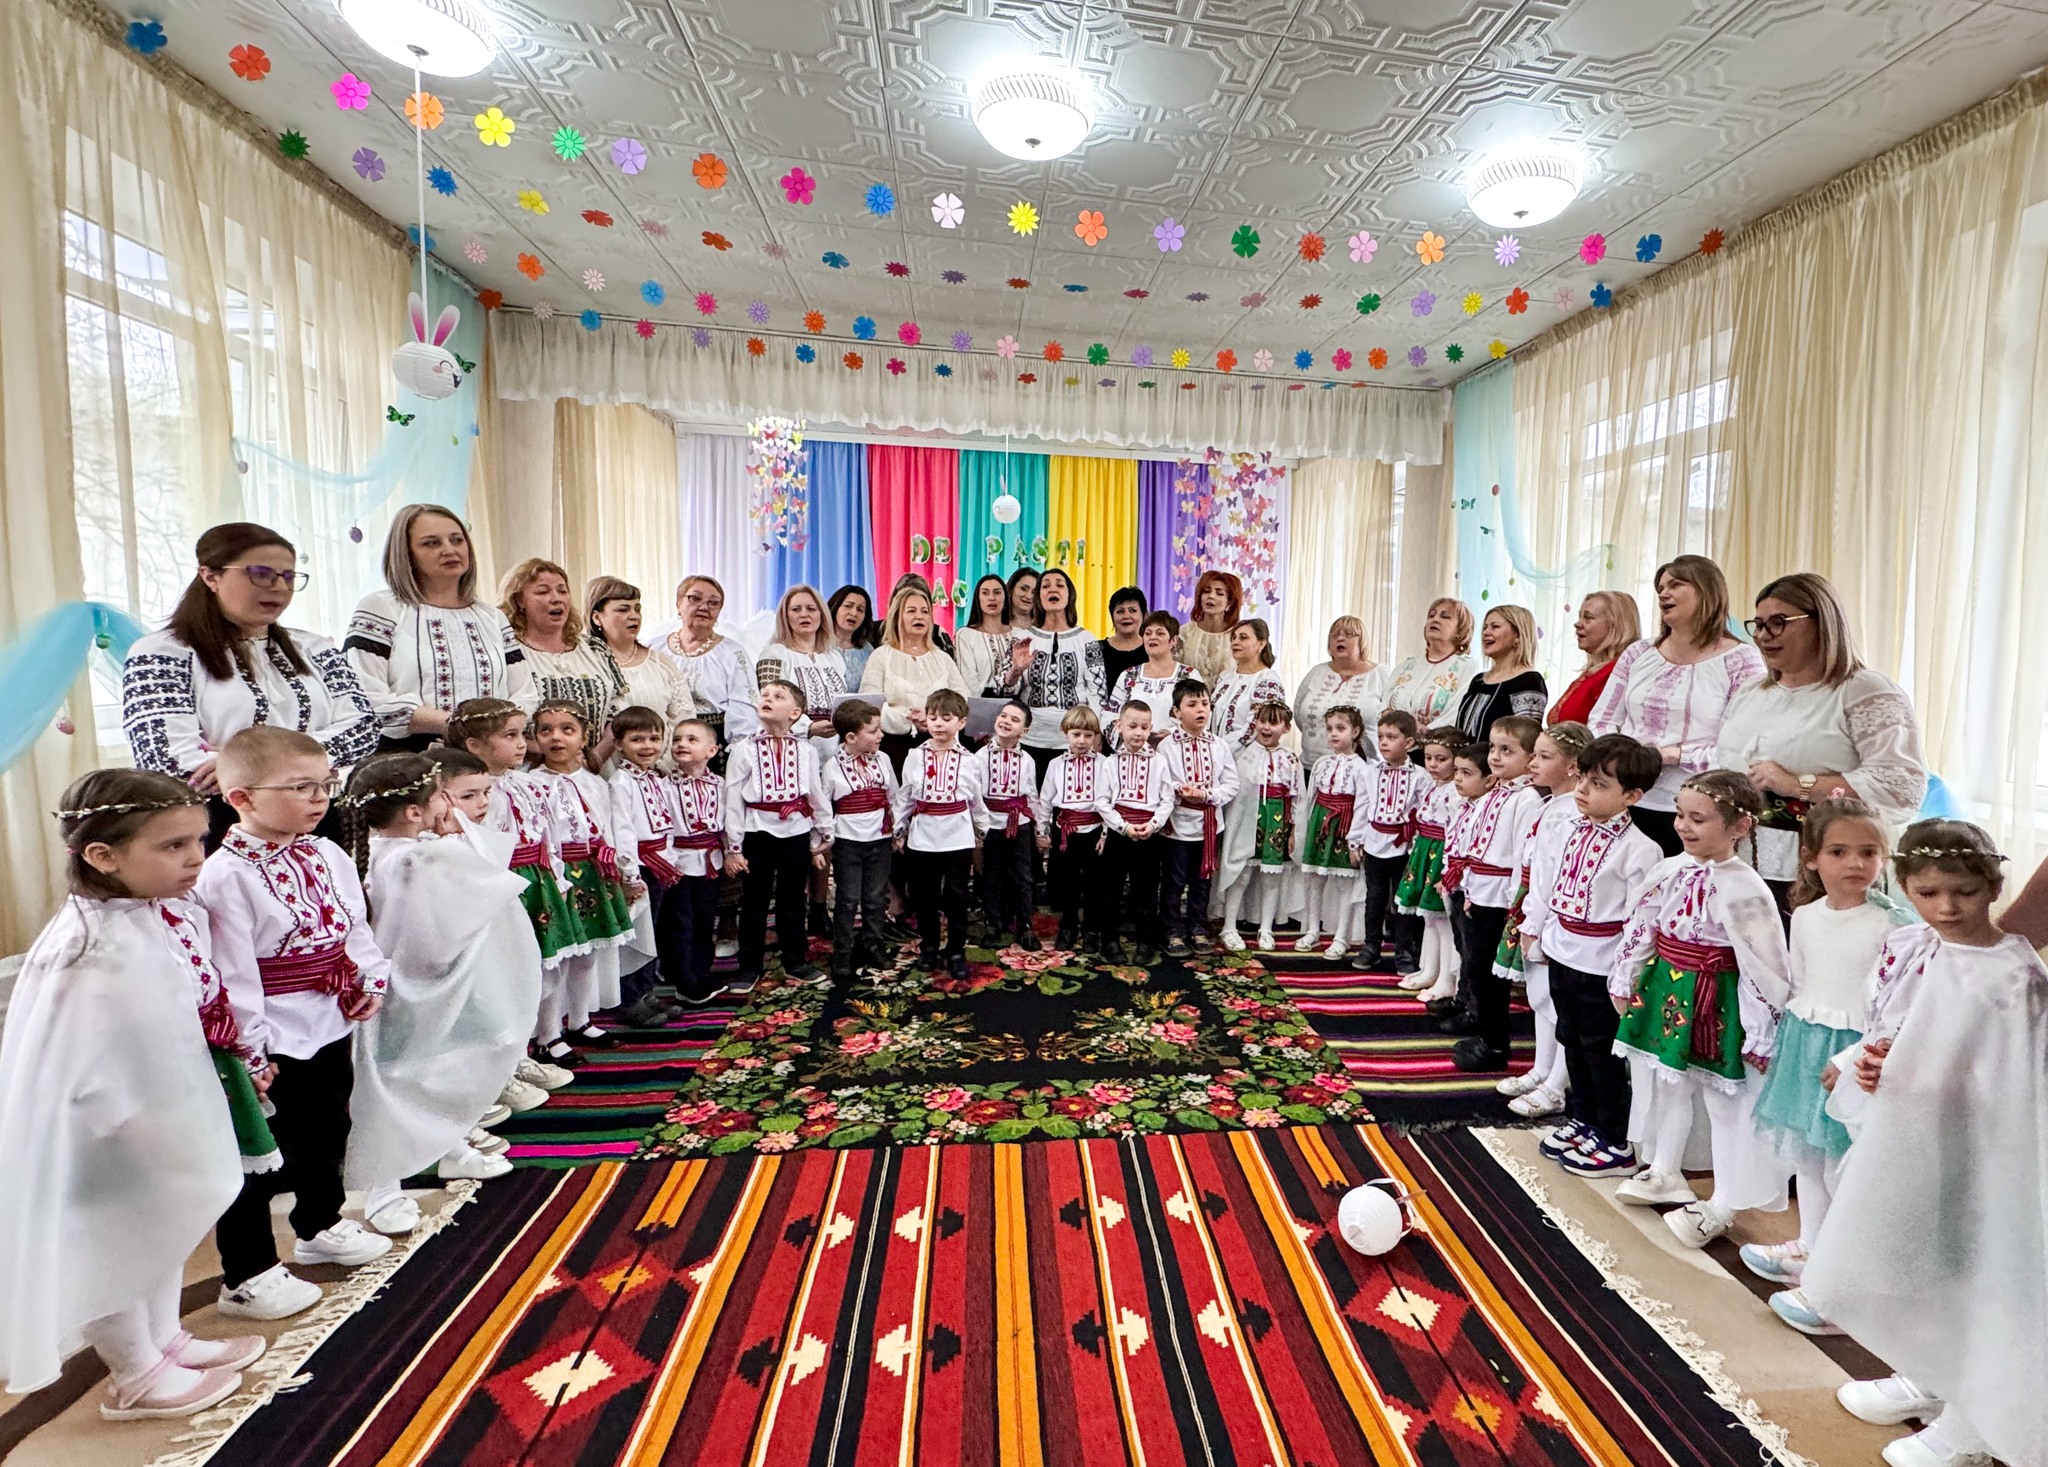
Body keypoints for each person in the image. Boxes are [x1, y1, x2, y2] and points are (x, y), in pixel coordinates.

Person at [0, 770, 263, 1416]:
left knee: (159, 1228)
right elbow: (87, 1069)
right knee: (113, 1245)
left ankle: (164, 1338)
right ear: (102, 855)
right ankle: (135, 1372)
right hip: (106, 1135)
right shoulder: (89, 950)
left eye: (198, 840)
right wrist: (144, 1132)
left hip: (151, 1112)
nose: (196, 857)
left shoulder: (140, 914)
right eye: (172, 845)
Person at [1803, 822, 2045, 1467]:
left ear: (1993, 886)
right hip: (1924, 1137)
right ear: (1905, 887)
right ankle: (1933, 1374)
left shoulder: (2011, 975)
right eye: (1928, 893)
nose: (1947, 908)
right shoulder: (1924, 948)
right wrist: (1870, 1062)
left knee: (1977, 1271)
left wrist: (1910, 1074)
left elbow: (2011, 1076)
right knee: (1926, 1260)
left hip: (1982, 1150)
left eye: (1964, 892)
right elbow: (1902, 1028)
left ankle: (1973, 1426)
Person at [196, 727, 396, 1320]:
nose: (319, 798)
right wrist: (251, 1051)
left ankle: (320, 1223)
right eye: (301, 787)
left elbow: (353, 925)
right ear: (242, 798)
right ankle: (247, 1271)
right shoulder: (224, 876)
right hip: (273, 1032)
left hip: (329, 1018)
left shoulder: (327, 853)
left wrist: (368, 978)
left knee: (327, 1126)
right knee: (263, 1152)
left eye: (325, 785)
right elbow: (234, 973)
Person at [338, 755, 529, 1238]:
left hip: (425, 982)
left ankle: (449, 1146)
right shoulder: (417, 858)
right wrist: (454, 840)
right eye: (442, 796)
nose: (451, 804)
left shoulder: (409, 851)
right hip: (403, 987)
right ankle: (383, 1186)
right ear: (414, 812)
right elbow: (491, 884)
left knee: (438, 1065)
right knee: (393, 1081)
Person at [1740, 800, 1909, 1334]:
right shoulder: (1808, 917)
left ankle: (1840, 1273)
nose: (1855, 863)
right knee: (1808, 1156)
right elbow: (1802, 981)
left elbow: (1893, 1001)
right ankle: (1810, 1246)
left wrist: (1858, 1055)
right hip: (1805, 1043)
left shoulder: (1892, 924)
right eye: (1839, 852)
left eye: (1868, 852)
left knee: (1843, 1163)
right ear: (1811, 858)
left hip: (1854, 1052)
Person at [1608, 771, 1791, 1249]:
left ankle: (1724, 1203)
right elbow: (1643, 925)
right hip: (1669, 988)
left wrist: (1760, 1031)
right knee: (1669, 1084)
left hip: (1716, 1000)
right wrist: (1626, 975)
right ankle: (1665, 1170)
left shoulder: (1746, 889)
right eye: (1679, 815)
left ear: (1739, 827)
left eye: (1698, 819)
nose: (1683, 826)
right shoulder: (1671, 870)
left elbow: (1764, 966)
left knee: (1723, 1104)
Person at [124, 522, 379, 845]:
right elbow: (165, 757)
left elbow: (363, 727)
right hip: (219, 820)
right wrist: (299, 769)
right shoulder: (162, 652)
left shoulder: (314, 648)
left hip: (315, 815)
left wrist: (252, 766)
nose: (278, 587)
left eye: (288, 577)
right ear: (210, 576)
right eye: (261, 574)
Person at [1714, 573, 1927, 908]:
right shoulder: (1751, 691)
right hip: (1743, 864)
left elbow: (1901, 785)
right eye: (1759, 624)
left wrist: (1796, 784)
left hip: (1824, 872)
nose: (1764, 635)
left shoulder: (1864, 691)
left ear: (1822, 623)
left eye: (1779, 623)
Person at [1523, 734, 1663, 1175]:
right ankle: (1582, 1118)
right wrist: (1535, 928)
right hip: (1563, 951)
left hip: (1602, 963)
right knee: (1570, 1038)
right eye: (1582, 778)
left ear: (1631, 796)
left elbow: (1641, 920)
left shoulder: (1642, 849)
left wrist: (1624, 975)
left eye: (1599, 784)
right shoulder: (1567, 828)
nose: (1583, 790)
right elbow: (1547, 881)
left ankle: (1615, 1137)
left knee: (1601, 1051)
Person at [1589, 557, 1765, 857]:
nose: (1663, 594)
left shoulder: (1741, 660)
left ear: (1707, 592)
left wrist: (1675, 755)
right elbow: (1601, 719)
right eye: (1660, 588)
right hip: (1623, 800)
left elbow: (1742, 747)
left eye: (1676, 584)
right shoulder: (1638, 652)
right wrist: (1621, 757)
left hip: (1696, 814)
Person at [347, 504, 535, 753]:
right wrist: (457, 726)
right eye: (431, 543)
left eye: (457, 540)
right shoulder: (381, 608)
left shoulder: (492, 617)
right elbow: (363, 694)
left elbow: (524, 693)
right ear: (406, 554)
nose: (449, 550)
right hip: (408, 758)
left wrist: (494, 731)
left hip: (490, 757)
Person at [1491, 722, 1594, 1114]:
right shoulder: (1550, 804)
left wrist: (1538, 922)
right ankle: (1541, 1068)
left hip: (1550, 915)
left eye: (1544, 756)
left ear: (1573, 766)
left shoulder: (1571, 814)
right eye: (1533, 754)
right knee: (1538, 995)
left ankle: (1557, 1084)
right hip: (1530, 906)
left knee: (1555, 1001)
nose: (1532, 762)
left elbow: (1555, 875)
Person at [529, 701, 638, 1032]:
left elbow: (608, 828)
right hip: (556, 875)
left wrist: (622, 872)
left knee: (587, 954)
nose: (556, 738)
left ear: (584, 737)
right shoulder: (532, 784)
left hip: (593, 873)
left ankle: (580, 1020)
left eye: (567, 730)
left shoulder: (595, 782)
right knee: (557, 957)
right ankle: (549, 1031)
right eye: (545, 730)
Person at [1443, 718, 1544, 1071]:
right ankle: (1485, 1032)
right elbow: (1476, 846)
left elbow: (1520, 856)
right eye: (1494, 748)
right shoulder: (1495, 794)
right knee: (1476, 966)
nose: (1496, 757)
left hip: (1501, 900)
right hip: (1481, 893)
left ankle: (1496, 1045)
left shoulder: (1526, 799)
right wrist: (1470, 888)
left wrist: (1514, 906)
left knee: (1490, 973)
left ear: (1530, 757)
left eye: (1507, 750)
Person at [724, 681, 828, 984]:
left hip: (796, 830)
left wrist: (823, 832)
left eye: (778, 696)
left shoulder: (806, 751)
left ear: (795, 713)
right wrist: (734, 845)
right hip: (757, 831)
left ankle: (795, 959)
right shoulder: (743, 749)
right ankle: (749, 964)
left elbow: (815, 793)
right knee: (754, 899)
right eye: (765, 695)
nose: (767, 698)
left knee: (793, 897)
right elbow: (733, 798)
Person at [607, 707, 690, 1026]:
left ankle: (646, 990)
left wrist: (671, 856)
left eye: (654, 739)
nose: (647, 746)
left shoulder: (656, 777)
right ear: (618, 744)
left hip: (660, 862)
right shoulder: (621, 782)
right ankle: (629, 997)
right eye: (637, 739)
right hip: (640, 866)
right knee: (637, 932)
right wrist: (629, 873)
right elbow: (623, 830)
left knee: (654, 930)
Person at [502, 559, 625, 770]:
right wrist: (553, 756)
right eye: (543, 592)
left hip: (595, 771)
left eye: (562, 591)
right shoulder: (507, 652)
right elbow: (499, 722)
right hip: (532, 773)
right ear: (520, 600)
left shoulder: (594, 649)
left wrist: (594, 757)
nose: (556, 599)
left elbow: (618, 712)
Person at [895, 687, 984, 974]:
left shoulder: (970, 760)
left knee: (957, 896)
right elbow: (905, 796)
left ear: (961, 722)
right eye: (933, 718)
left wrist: (982, 830)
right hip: (923, 836)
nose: (939, 724)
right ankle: (929, 946)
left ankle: (956, 950)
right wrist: (899, 828)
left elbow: (975, 799)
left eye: (947, 718)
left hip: (957, 836)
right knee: (924, 896)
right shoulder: (915, 756)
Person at [818, 700, 900, 982]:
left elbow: (894, 796)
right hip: (848, 842)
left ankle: (873, 944)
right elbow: (823, 805)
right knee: (848, 898)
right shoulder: (832, 767)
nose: (880, 735)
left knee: (876, 897)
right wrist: (824, 839)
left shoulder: (883, 760)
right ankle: (842, 951)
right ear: (851, 737)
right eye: (873, 731)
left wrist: (897, 830)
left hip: (879, 839)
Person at [1158, 681, 1238, 957]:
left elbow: (1231, 784)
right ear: (1176, 712)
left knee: (1202, 880)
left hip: (1209, 824)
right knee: (1174, 879)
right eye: (1192, 705)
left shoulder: (1219, 745)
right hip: (1177, 825)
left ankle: (1197, 927)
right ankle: (1171, 929)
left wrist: (1206, 794)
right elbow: (1161, 780)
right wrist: (1181, 791)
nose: (1200, 710)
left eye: (1205, 704)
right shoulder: (1167, 746)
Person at [1218, 702, 1303, 953]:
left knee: (1272, 875)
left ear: (1286, 728)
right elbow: (1237, 795)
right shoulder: (1244, 756)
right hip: (1248, 819)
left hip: (1276, 821)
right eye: (1262, 721)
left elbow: (1297, 797)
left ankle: (1266, 927)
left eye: (1273, 723)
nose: (1266, 727)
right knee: (1241, 872)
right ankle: (1229, 926)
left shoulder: (1291, 758)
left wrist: (1294, 829)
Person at [1095, 701, 1174, 963]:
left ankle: (1146, 941)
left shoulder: (1159, 763)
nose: (1138, 733)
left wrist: (1153, 825)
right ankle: (1109, 940)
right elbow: (1101, 801)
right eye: (1132, 726)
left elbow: (1167, 799)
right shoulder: (1110, 763)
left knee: (1147, 891)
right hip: (1119, 833)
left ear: (1150, 728)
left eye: (1144, 727)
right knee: (1110, 889)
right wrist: (1123, 826)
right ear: (1119, 726)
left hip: (1148, 835)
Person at [1347, 710, 1427, 972]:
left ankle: (1404, 950)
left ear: (1409, 743)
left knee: (1403, 899)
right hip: (1374, 843)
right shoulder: (1370, 773)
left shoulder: (1420, 776)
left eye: (1391, 737)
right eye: (1381, 736)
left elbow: (1423, 813)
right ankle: (1372, 946)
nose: (1383, 742)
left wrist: (1416, 846)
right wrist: (1355, 841)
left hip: (1404, 847)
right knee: (1375, 897)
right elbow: (1362, 807)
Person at [860, 583, 970, 771]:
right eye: (911, 611)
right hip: (893, 747)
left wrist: (933, 719)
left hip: (940, 747)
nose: (919, 616)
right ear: (898, 617)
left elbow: (962, 700)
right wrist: (908, 720)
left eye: (924, 611)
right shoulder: (881, 656)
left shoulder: (943, 658)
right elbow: (870, 704)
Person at [664, 719, 732, 1003]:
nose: (682, 744)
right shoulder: (664, 785)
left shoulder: (720, 784)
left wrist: (732, 851)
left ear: (712, 750)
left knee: (705, 919)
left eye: (692, 739)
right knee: (681, 922)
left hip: (709, 862)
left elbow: (728, 822)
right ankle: (683, 979)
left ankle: (702, 971)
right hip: (677, 863)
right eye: (677, 739)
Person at [1295, 707, 1372, 956]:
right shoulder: (1321, 764)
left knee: (1344, 882)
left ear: (1355, 732)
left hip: (1344, 825)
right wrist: (1307, 829)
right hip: (1321, 823)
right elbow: (1310, 798)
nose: (1333, 734)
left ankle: (1341, 935)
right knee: (1314, 879)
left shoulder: (1362, 768)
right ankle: (1312, 930)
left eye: (1340, 728)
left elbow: (1363, 805)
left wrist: (1355, 840)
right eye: (1329, 729)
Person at [1015, 568, 1106, 778]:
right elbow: (1007, 688)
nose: (1052, 589)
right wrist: (1016, 671)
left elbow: (1098, 691)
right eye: (1045, 586)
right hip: (1029, 739)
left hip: (1074, 741)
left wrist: (1096, 733)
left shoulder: (1086, 639)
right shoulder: (1023, 638)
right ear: (1039, 597)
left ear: (1069, 595)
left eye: (1059, 585)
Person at [1396, 726, 1466, 998]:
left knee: (1444, 920)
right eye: (1428, 758)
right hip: (1425, 850)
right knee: (1429, 918)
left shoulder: (1456, 793)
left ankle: (1447, 979)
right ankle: (1430, 970)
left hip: (1441, 854)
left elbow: (1455, 831)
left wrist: (1447, 870)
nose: (1433, 764)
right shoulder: (1430, 785)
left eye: (1441, 758)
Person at [654, 576, 760, 748]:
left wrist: (739, 752)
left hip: (712, 747)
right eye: (695, 598)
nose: (704, 607)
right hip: (659, 742)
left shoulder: (733, 653)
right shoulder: (654, 649)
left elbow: (745, 712)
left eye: (713, 603)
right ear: (678, 603)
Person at [587, 577, 693, 743]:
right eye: (623, 610)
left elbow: (684, 723)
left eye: (637, 609)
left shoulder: (661, 664)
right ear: (596, 617)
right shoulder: (585, 664)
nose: (634, 616)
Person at [975, 700, 1043, 949]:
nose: (1006, 722)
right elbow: (975, 795)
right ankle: (992, 923)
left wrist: (1040, 829)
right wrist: (977, 830)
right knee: (991, 875)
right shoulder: (980, 757)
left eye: (1014, 720)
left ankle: (1024, 925)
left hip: (1019, 823)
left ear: (1024, 731)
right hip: (990, 824)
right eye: (1003, 716)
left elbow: (1032, 796)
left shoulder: (1027, 760)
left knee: (1022, 876)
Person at [1039, 706, 1107, 951]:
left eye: (1088, 735)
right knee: (1067, 881)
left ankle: (1092, 928)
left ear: (1096, 737)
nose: (1081, 741)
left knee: (1094, 882)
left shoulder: (1104, 764)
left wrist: (1106, 833)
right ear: (1065, 732)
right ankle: (1068, 925)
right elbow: (1045, 799)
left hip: (1095, 831)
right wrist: (1041, 830)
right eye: (1076, 734)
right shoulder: (1056, 765)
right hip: (1065, 832)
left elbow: (1110, 800)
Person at [756, 585, 850, 750]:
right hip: (791, 748)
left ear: (821, 614)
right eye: (796, 609)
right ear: (785, 616)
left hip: (834, 749)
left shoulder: (834, 656)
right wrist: (808, 727)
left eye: (811, 609)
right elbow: (770, 706)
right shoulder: (774, 654)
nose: (804, 614)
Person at [1296, 617, 1392, 768]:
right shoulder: (1316, 673)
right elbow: (1299, 714)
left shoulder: (1381, 676)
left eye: (1348, 634)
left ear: (1362, 641)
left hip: (1363, 770)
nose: (1340, 638)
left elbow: (1393, 723)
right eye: (1335, 635)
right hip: (1312, 768)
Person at [1455, 605, 1549, 746]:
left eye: (1495, 627)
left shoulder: (1528, 681)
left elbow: (1526, 741)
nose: (1486, 632)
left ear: (1518, 636)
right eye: (1485, 627)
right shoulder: (1478, 681)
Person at [1384, 597, 1480, 733]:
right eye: (1431, 615)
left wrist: (1424, 732)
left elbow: (1458, 711)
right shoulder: (1406, 665)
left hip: (1437, 743)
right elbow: (1383, 706)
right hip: (1393, 742)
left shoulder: (1467, 667)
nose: (1435, 620)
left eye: (1445, 616)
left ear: (1461, 630)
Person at [1550, 591, 1641, 725]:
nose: (1578, 624)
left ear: (1615, 626)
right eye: (1580, 616)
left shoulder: (1617, 672)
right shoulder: (1594, 671)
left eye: (1588, 618)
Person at [1106, 611, 1199, 730]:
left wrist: (1172, 735)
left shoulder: (1190, 676)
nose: (1152, 637)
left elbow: (1200, 715)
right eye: (1148, 633)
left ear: (1174, 640)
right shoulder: (1128, 676)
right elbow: (1109, 716)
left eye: (1160, 633)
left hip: (1175, 742)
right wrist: (1128, 734)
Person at [1210, 619, 1290, 750]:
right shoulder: (1225, 676)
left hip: (1247, 756)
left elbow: (1256, 727)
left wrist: (1223, 750)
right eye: (1234, 638)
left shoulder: (1267, 680)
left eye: (1243, 638)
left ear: (1261, 644)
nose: (1235, 642)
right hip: (1214, 753)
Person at [954, 574, 1020, 696]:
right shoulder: (965, 635)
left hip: (1015, 703)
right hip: (979, 703)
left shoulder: (1018, 634)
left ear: (1005, 598)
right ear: (978, 599)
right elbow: (968, 681)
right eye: (985, 593)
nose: (991, 598)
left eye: (997, 592)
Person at [1180, 570, 1242, 690]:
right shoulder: (1185, 633)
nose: (1211, 596)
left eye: (1219, 593)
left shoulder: (1237, 636)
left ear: (1229, 602)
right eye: (1206, 591)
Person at [826, 584, 881, 692]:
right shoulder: (817, 645)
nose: (854, 613)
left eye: (860, 610)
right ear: (835, 607)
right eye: (848, 606)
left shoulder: (867, 650)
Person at [1099, 586, 1150, 694]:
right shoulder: (1097, 650)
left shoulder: (1152, 649)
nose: (1126, 616)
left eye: (1133, 611)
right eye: (1120, 611)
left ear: (1144, 615)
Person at [1004, 567, 1040, 631]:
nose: (1029, 596)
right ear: (1011, 590)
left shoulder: (1044, 626)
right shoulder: (996, 622)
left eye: (1034, 592)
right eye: (1024, 589)